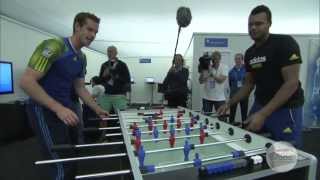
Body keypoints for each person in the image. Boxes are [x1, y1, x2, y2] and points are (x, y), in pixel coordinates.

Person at [19, 12, 108, 180]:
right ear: (77, 26)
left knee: (71, 155)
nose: (92, 35)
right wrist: (58, 108)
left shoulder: (81, 57)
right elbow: (26, 81)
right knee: (61, 161)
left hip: (64, 111)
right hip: (43, 110)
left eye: (95, 32)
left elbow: (80, 87)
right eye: (89, 29)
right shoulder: (55, 46)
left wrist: (97, 108)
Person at [218, 5, 304, 147]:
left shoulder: (285, 43)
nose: (253, 28)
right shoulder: (250, 53)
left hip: (286, 108)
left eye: (258, 24)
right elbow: (248, 84)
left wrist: (263, 114)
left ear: (269, 24)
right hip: (260, 104)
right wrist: (228, 104)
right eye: (250, 24)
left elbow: (291, 84)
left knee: (286, 154)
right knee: (252, 144)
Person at [98, 45, 131, 112]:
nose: (109, 53)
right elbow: (100, 80)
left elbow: (127, 79)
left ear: (116, 53)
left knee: (121, 117)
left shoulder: (122, 65)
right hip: (105, 95)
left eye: (111, 51)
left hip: (119, 95)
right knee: (103, 116)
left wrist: (115, 75)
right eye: (108, 52)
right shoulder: (104, 65)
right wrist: (103, 76)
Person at [228, 53, 248, 125]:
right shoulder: (231, 72)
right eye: (236, 59)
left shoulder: (246, 70)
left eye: (239, 59)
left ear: (242, 60)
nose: (237, 60)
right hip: (234, 95)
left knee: (244, 114)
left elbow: (249, 82)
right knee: (232, 114)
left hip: (244, 95)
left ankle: (244, 128)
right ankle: (231, 128)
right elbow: (230, 84)